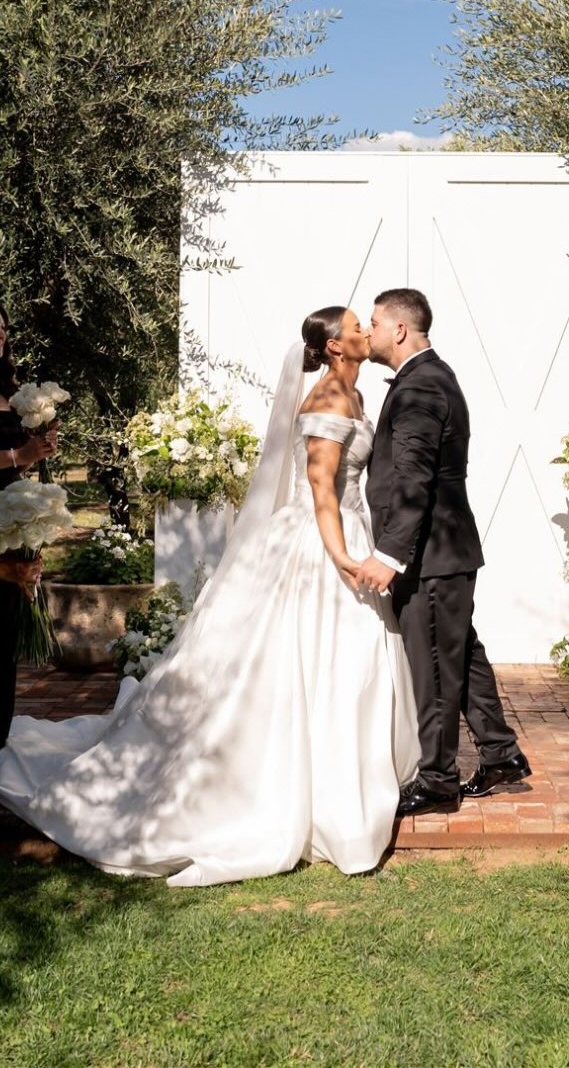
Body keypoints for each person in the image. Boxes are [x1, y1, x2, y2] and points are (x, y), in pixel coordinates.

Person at [0, 307, 420, 885]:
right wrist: (344, 556)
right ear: (333, 348)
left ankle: (338, 780)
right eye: (355, 327)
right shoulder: (328, 400)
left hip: (345, 531)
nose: (364, 332)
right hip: (321, 544)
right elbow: (322, 493)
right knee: (312, 663)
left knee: (346, 664)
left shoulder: (355, 395)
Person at [350, 288, 530, 816]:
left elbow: (413, 479)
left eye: (376, 322)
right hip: (445, 554)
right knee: (461, 656)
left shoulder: (422, 385)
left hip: (431, 556)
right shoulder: (427, 377)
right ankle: (500, 754)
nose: (369, 330)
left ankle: (437, 780)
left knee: (432, 666)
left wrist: (389, 554)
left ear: (400, 330)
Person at [0, 302, 60, 746]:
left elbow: (14, 468)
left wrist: (37, 449)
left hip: (9, 514)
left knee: (5, 632)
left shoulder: (10, 391)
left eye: (2, 328)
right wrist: (18, 456)